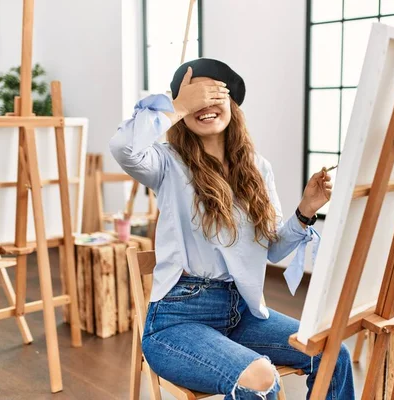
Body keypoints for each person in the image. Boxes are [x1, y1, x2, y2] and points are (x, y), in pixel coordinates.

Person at [109, 58, 354, 399]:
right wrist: (178, 105)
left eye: (215, 94)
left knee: (331, 351)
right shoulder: (166, 162)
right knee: (261, 379)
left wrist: (305, 211)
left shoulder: (257, 167)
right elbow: (123, 148)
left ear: (232, 103)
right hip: (176, 322)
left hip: (241, 314)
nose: (205, 104)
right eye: (196, 97)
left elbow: (272, 248)